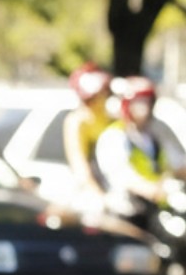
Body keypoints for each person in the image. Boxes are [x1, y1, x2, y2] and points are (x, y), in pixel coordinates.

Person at [95, 74, 186, 224]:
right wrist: (158, 191)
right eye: (138, 101)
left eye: (147, 101)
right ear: (126, 104)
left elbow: (179, 162)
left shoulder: (157, 130)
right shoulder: (114, 136)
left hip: (158, 211)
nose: (144, 107)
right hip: (127, 213)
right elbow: (123, 177)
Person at [62, 60, 114, 200]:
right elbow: (80, 167)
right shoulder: (77, 121)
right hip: (91, 196)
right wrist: (99, 195)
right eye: (89, 100)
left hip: (115, 189)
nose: (96, 103)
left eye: (101, 95)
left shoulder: (113, 119)